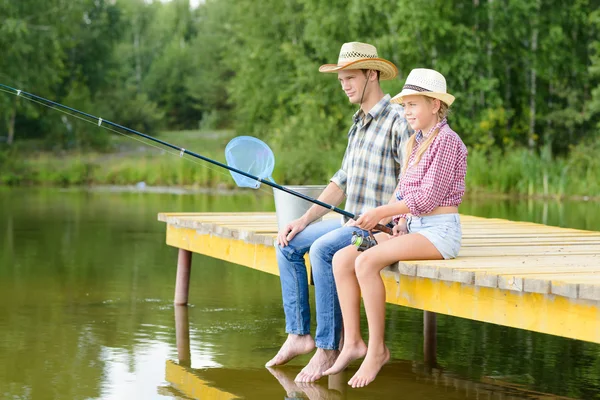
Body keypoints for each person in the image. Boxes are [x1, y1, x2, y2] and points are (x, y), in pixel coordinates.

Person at [265, 42, 412, 383]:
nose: (343, 85)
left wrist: (393, 218)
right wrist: (301, 219)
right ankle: (299, 334)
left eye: (349, 77)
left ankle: (329, 345)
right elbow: (340, 182)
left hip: (377, 230)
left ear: (371, 75)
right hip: (349, 223)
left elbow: (410, 178)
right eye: (340, 78)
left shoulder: (397, 120)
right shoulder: (357, 123)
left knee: (322, 249)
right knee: (288, 241)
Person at [323, 68, 468, 388]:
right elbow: (405, 190)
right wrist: (395, 220)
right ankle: (353, 344)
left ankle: (377, 351)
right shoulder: (416, 141)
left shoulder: (447, 141)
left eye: (414, 105)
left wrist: (382, 212)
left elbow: (429, 198)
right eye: (405, 106)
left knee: (366, 260)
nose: (407, 112)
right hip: (414, 227)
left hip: (439, 233)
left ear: (435, 105)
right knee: (342, 259)